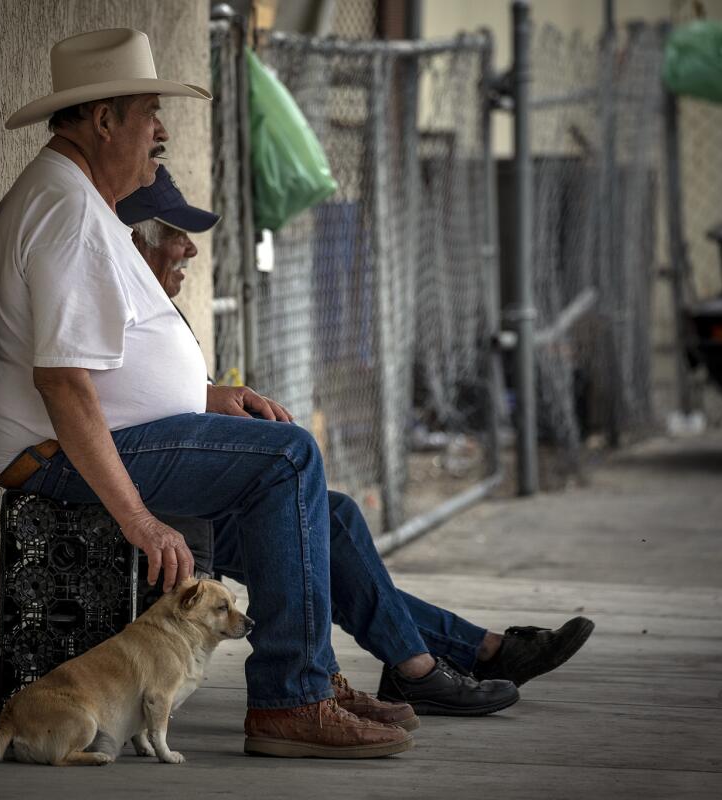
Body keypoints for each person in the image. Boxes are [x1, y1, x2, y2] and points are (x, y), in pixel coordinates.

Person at [0, 28, 592, 760]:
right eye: (149, 113)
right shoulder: (69, 213)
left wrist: (209, 397)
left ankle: (432, 662)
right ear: (103, 120)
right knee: (289, 458)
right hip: (55, 455)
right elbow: (63, 383)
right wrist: (140, 520)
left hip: (102, 444)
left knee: (324, 519)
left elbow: (99, 369)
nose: (162, 131)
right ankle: (291, 700)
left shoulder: (82, 204)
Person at [117, 164, 595, 704]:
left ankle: (443, 657)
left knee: (334, 519)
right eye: (176, 236)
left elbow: (153, 395)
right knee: (301, 483)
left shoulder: (156, 307)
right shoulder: (116, 295)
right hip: (151, 491)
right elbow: (108, 403)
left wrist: (213, 398)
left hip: (182, 484)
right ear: (136, 239)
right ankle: (429, 662)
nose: (190, 251)